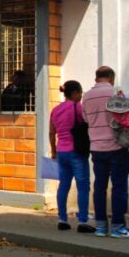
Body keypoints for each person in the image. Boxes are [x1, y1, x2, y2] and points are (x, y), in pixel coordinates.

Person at [82, 66, 129, 239]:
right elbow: (127, 116)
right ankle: (118, 227)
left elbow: (86, 119)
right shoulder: (115, 93)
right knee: (119, 187)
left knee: (99, 187)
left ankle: (100, 227)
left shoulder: (86, 96)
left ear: (96, 78)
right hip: (116, 147)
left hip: (96, 149)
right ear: (111, 77)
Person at [49, 80, 95, 233]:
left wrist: (53, 151)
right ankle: (82, 221)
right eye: (80, 93)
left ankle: (62, 219)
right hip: (76, 151)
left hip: (61, 152)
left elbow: (51, 133)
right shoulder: (78, 108)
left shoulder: (55, 110)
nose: (81, 96)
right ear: (75, 93)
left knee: (64, 185)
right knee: (83, 186)